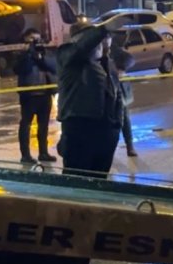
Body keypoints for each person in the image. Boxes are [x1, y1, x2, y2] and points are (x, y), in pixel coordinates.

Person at [56, 24, 125, 178]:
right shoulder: (68, 55)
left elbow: (118, 95)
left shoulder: (106, 63)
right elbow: (81, 48)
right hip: (80, 128)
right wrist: (102, 30)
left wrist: (116, 125)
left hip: (106, 131)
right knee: (77, 180)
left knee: (99, 180)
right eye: (97, 41)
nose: (99, 44)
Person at [14, 29, 57, 164]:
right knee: (26, 124)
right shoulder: (20, 54)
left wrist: (40, 57)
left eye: (38, 39)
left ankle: (43, 152)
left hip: (45, 94)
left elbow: (53, 67)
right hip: (29, 95)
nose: (35, 42)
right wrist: (28, 54)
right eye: (32, 39)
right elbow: (21, 69)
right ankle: (25, 155)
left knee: (43, 125)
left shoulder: (45, 53)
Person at [110, 34, 139, 157]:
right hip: (106, 90)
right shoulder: (96, 51)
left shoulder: (114, 50)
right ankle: (110, 149)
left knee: (124, 118)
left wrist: (120, 68)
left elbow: (130, 59)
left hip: (119, 90)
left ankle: (129, 146)